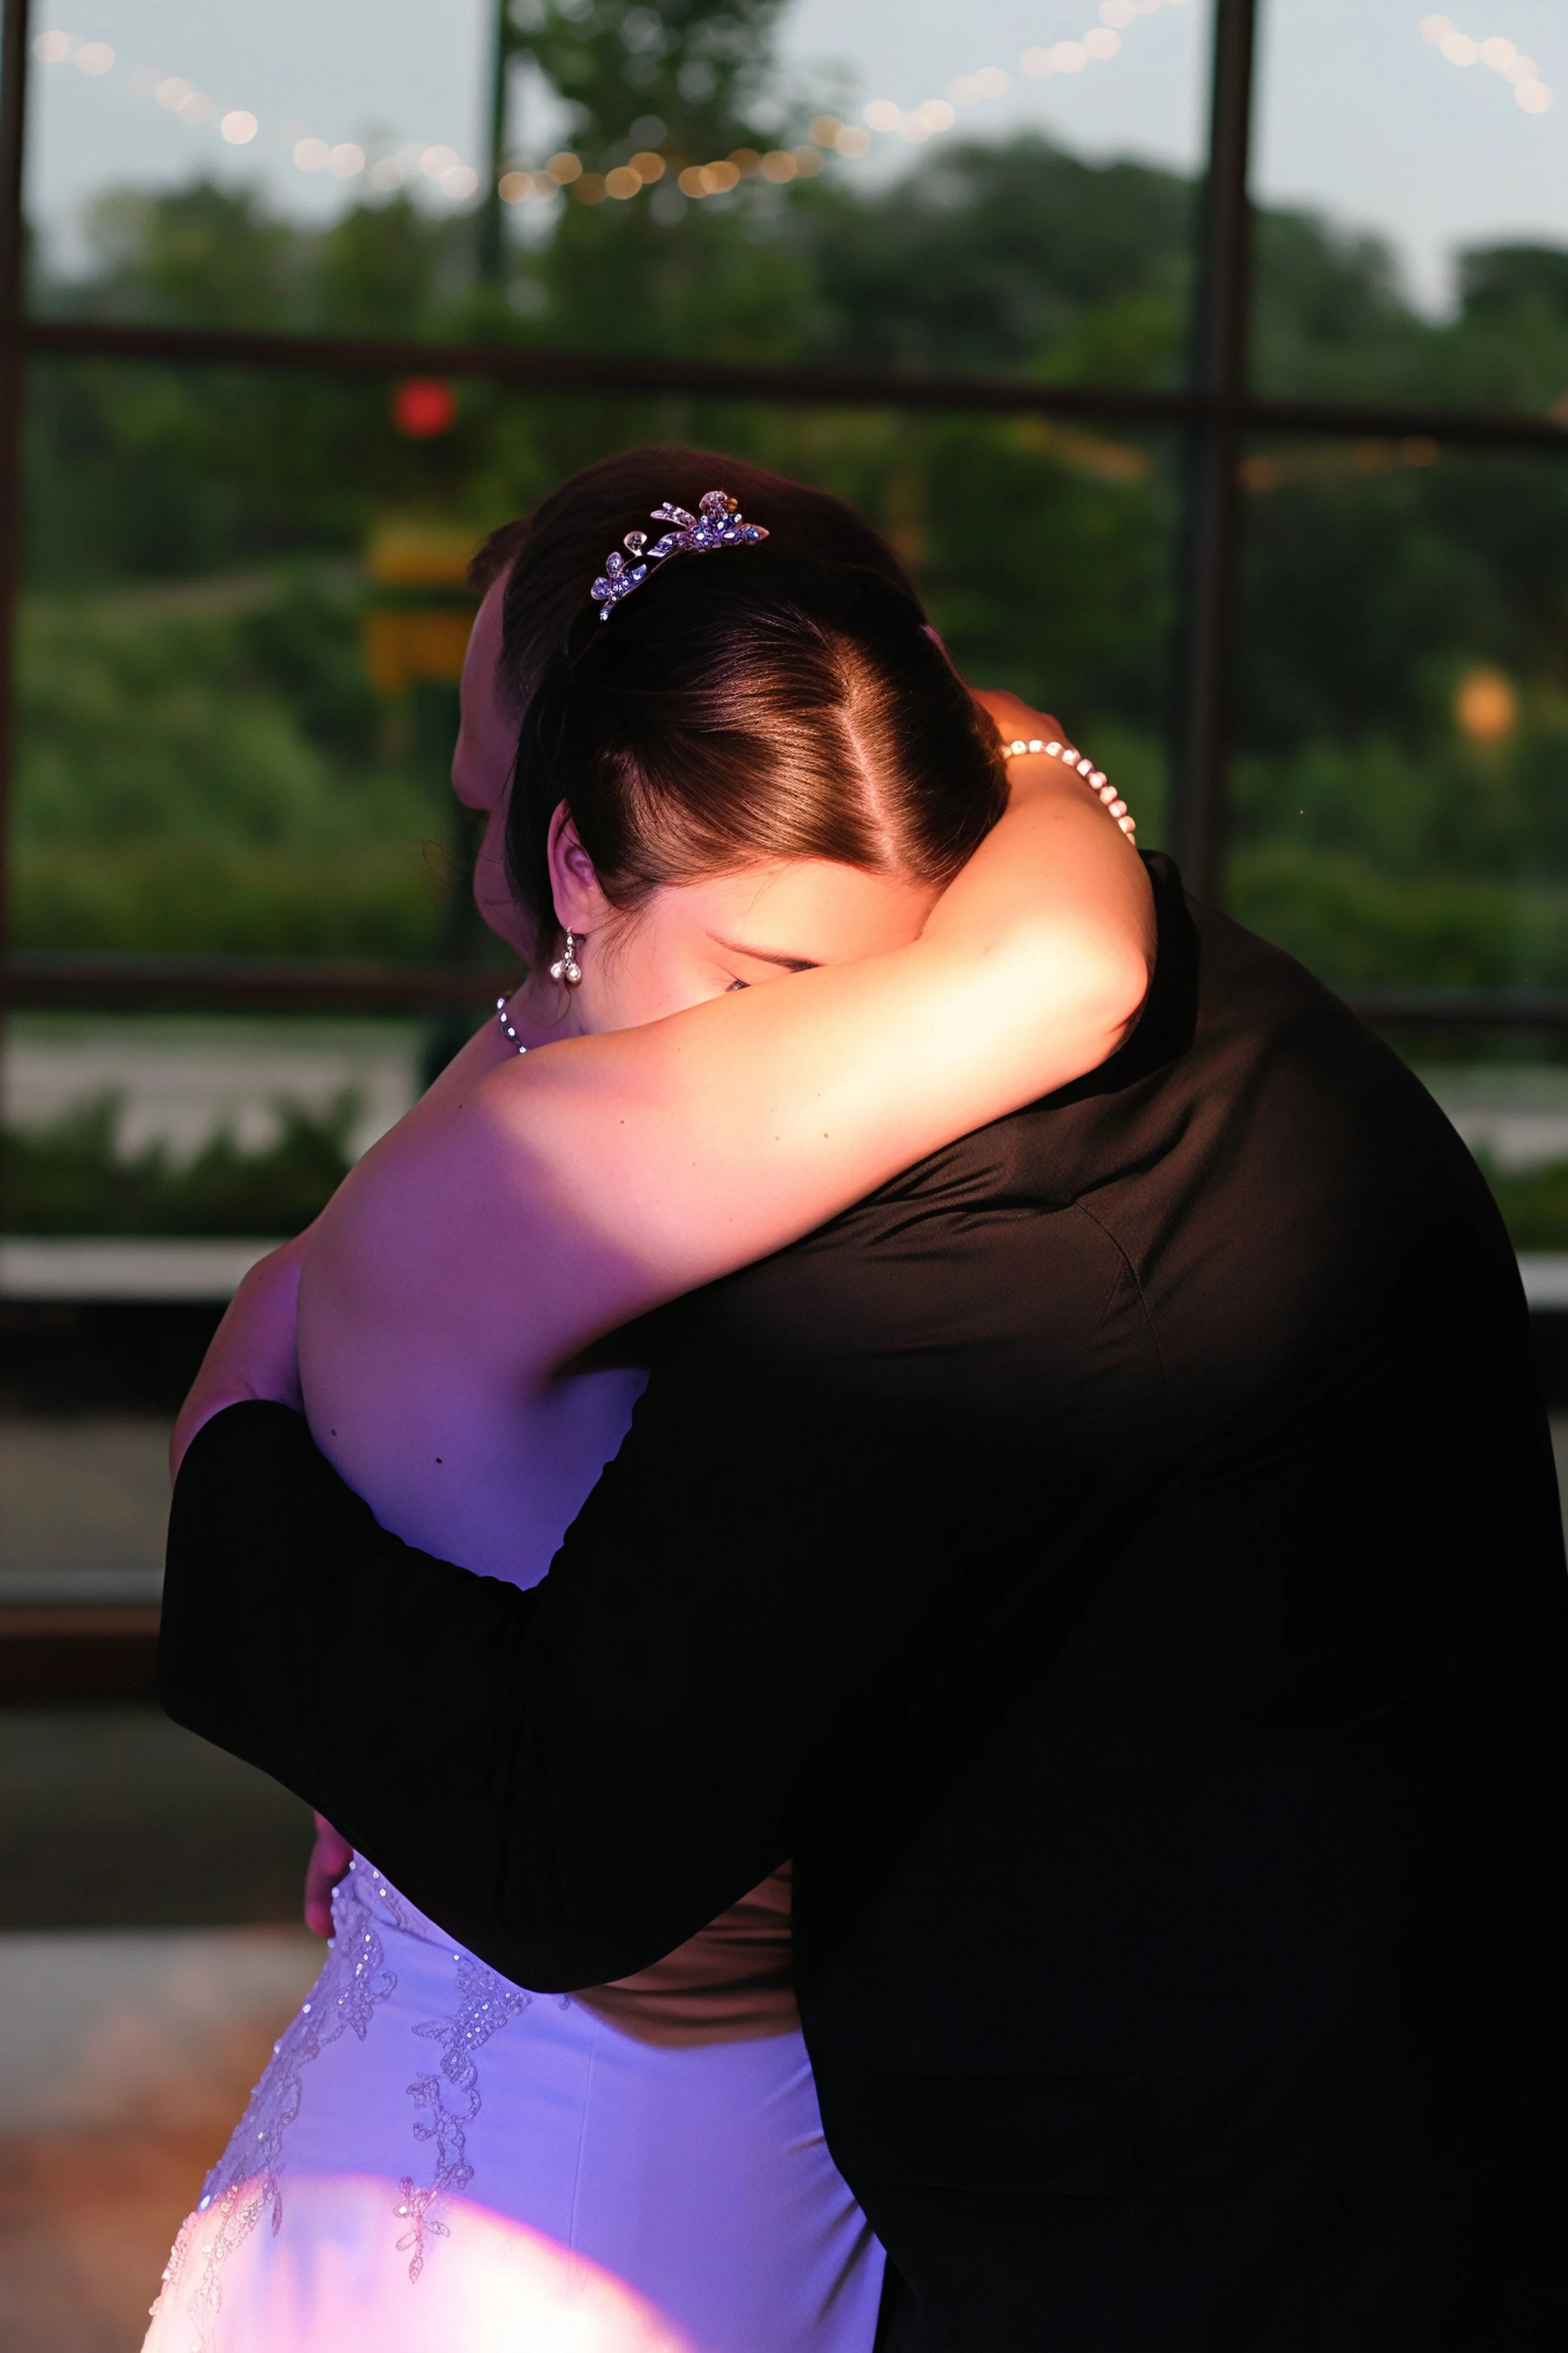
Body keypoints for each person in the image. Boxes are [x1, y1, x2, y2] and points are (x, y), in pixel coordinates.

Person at [160, 465, 1568, 2351]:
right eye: (487, 793)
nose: (494, 872)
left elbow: (566, 1846)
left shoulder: (947, 1233)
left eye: (794, 977)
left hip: (1202, 2228)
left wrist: (235, 1475)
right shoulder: (1062, 967)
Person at [144, 450, 1153, 2353]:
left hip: (692, 2124)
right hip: (574, 2169)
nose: (815, 1054)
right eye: (764, 971)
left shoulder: (544, 1041)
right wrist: (1022, 744)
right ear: (578, 864)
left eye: (856, 983)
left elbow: (301, 1309)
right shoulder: (559, 1163)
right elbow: (1074, 961)